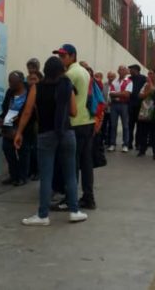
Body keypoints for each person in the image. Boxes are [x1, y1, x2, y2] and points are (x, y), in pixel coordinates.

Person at [14, 56, 87, 226]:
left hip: (45, 134)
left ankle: (43, 215)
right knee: (70, 174)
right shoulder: (67, 85)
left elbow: (27, 111)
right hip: (67, 133)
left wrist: (19, 133)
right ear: (62, 71)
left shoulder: (36, 88)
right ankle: (74, 211)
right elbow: (74, 112)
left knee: (46, 175)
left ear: (44, 71)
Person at [54, 46, 97, 210]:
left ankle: (69, 198)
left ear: (72, 56)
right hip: (87, 121)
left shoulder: (70, 74)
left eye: (63, 56)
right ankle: (88, 197)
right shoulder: (85, 72)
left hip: (75, 122)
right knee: (86, 163)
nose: (61, 59)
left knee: (71, 163)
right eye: (59, 56)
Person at [0, 71, 35, 187]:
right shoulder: (10, 92)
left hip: (24, 126)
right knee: (7, 149)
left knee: (23, 152)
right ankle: (13, 175)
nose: (10, 84)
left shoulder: (29, 92)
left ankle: (22, 177)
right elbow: (5, 107)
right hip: (9, 123)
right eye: (9, 81)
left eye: (12, 82)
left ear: (20, 82)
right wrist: (1, 118)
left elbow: (30, 112)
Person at [135, 69, 155, 158]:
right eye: (148, 73)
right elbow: (140, 95)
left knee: (154, 133)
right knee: (143, 131)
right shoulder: (145, 84)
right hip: (145, 110)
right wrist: (148, 91)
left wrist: (149, 88)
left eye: (151, 73)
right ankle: (142, 150)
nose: (149, 75)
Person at [109, 66, 133, 152]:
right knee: (113, 125)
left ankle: (125, 144)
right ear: (118, 71)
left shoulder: (129, 82)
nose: (121, 71)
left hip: (124, 105)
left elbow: (127, 95)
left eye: (123, 69)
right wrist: (121, 94)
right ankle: (112, 144)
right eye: (120, 69)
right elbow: (111, 94)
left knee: (125, 126)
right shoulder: (114, 81)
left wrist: (116, 94)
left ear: (126, 71)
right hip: (114, 105)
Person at [127, 64, 147, 150]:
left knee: (140, 126)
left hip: (140, 105)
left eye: (131, 69)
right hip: (130, 105)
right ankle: (129, 143)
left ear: (136, 70)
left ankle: (138, 143)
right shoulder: (129, 79)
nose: (130, 71)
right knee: (130, 125)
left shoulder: (143, 78)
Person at [26, 72, 41, 181]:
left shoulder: (41, 92)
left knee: (35, 147)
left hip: (37, 123)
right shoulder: (25, 91)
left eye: (34, 79)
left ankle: (37, 171)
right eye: (30, 79)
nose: (32, 82)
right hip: (26, 124)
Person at [102, 71, 116, 147]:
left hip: (112, 108)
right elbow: (101, 95)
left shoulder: (116, 85)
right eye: (109, 76)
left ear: (114, 77)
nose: (110, 78)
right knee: (103, 125)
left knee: (112, 125)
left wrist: (110, 103)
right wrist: (104, 104)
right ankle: (103, 139)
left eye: (112, 77)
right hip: (104, 108)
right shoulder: (104, 85)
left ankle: (110, 141)